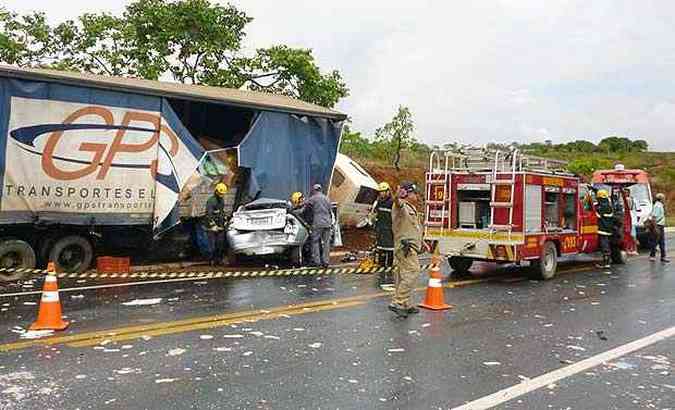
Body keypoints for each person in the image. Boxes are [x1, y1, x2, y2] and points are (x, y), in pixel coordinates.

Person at [388, 181, 426, 318]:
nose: (416, 196)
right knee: (412, 271)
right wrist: (397, 197)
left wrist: (422, 242)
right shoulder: (401, 206)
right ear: (407, 194)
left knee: (402, 275)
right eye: (414, 193)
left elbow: (413, 227)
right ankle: (398, 302)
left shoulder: (411, 208)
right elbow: (397, 203)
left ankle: (405, 303)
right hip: (405, 247)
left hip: (410, 246)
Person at [370, 182, 395, 284]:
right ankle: (381, 268)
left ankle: (389, 269)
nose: (381, 194)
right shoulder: (378, 202)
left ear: (388, 191)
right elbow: (374, 215)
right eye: (380, 192)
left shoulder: (392, 203)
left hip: (390, 230)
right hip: (381, 230)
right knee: (381, 250)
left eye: (383, 192)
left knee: (390, 251)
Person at [303, 184, 333, 268]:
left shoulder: (314, 197)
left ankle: (317, 262)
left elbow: (305, 205)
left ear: (314, 190)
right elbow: (330, 211)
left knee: (315, 241)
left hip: (318, 223)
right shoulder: (327, 198)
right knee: (326, 243)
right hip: (327, 222)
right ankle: (326, 262)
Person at [204, 183, 228, 266]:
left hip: (220, 225)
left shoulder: (221, 200)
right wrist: (213, 225)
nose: (221, 195)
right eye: (220, 194)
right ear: (216, 191)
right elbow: (208, 214)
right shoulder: (211, 201)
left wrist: (224, 220)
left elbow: (221, 211)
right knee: (212, 246)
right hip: (212, 227)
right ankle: (212, 261)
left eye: (222, 194)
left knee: (220, 244)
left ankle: (219, 260)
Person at [595, 189, 614, 269]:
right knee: (605, 245)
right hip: (607, 229)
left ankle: (606, 263)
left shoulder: (603, 206)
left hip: (603, 229)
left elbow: (598, 215)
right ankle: (606, 261)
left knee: (604, 245)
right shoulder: (608, 205)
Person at [649, 193, 669, 263]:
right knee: (655, 241)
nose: (664, 199)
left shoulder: (660, 205)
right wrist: (655, 228)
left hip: (660, 226)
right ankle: (653, 256)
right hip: (658, 226)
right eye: (663, 198)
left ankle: (663, 256)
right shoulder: (658, 206)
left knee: (661, 242)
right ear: (661, 199)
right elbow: (654, 217)